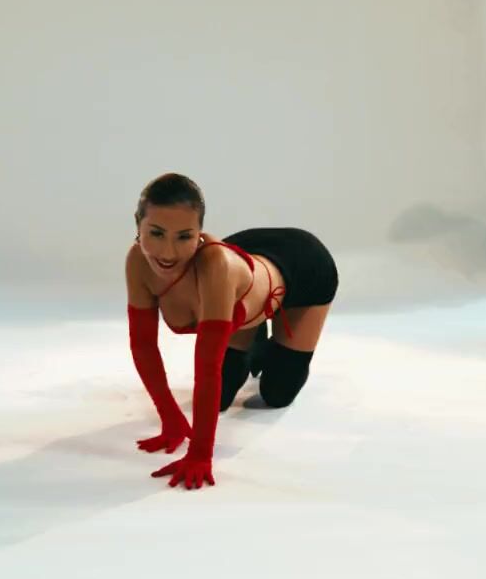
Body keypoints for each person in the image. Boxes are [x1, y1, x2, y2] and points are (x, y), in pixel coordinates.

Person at [125, 172, 338, 490]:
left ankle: (263, 336)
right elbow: (143, 346)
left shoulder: (215, 266)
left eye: (184, 236)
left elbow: (207, 369)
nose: (168, 252)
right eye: (156, 233)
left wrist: (200, 455)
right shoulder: (138, 261)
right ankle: (253, 332)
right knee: (223, 396)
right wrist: (170, 419)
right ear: (138, 226)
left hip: (303, 267)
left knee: (276, 394)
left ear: (199, 233)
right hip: (247, 262)